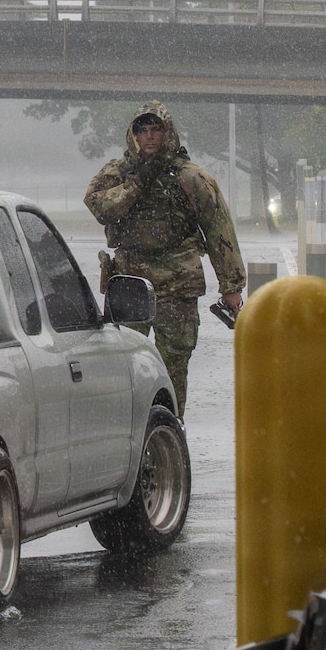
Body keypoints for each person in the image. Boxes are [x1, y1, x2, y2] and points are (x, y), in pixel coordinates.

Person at [83, 100, 245, 416]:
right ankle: (131, 435)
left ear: (168, 132)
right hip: (130, 285)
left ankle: (169, 428)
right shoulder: (117, 173)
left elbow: (219, 230)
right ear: (133, 135)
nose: (149, 137)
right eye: (142, 130)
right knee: (126, 366)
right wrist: (137, 183)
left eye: (156, 129)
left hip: (177, 287)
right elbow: (101, 207)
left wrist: (232, 286)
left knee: (174, 366)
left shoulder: (191, 177)